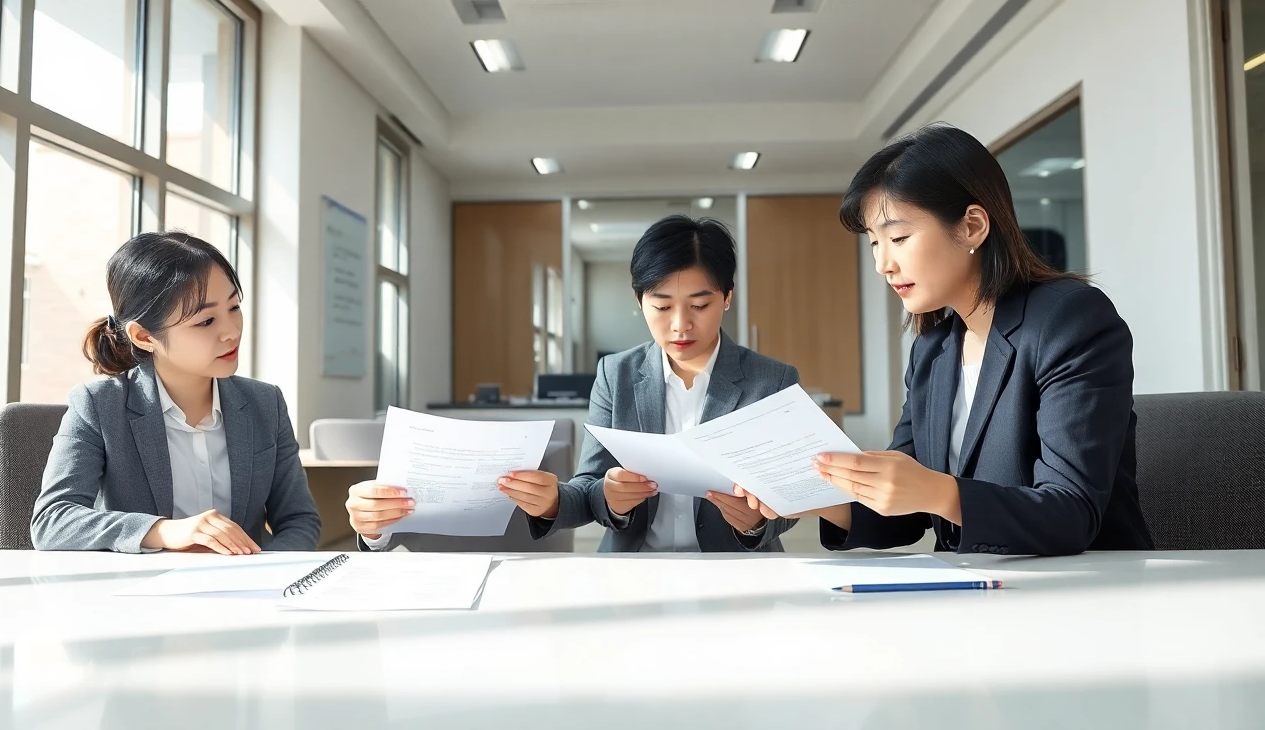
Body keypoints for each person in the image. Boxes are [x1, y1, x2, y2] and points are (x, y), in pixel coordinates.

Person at [738, 123, 1153, 556]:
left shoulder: (1070, 320)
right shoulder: (933, 350)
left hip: (1085, 592)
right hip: (975, 591)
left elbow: (1072, 513)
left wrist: (940, 492)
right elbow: (908, 513)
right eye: (874, 242)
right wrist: (813, 496)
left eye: (898, 238)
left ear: (972, 226)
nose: (883, 264)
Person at [487, 215, 800, 552]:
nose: (680, 325)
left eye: (699, 305)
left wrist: (758, 521)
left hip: (737, 572)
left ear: (726, 296)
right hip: (634, 571)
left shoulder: (772, 380)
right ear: (640, 301)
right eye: (662, 306)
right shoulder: (615, 374)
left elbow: (794, 493)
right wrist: (568, 500)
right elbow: (587, 487)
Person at [31, 232, 321, 553]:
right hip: (142, 595)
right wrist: (163, 531)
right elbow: (52, 522)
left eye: (234, 306)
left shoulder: (265, 403)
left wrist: (265, 572)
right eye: (206, 320)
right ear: (144, 336)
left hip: (247, 593)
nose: (232, 331)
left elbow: (299, 520)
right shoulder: (99, 405)